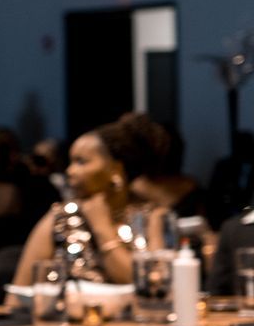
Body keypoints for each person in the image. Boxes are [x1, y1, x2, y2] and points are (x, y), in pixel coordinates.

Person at [10, 120, 153, 290]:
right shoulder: (60, 219)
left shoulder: (151, 218)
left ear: (116, 169)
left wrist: (101, 226)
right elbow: (16, 298)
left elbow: (149, 285)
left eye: (81, 162)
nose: (70, 171)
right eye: (70, 162)